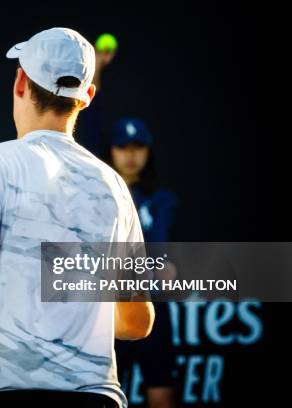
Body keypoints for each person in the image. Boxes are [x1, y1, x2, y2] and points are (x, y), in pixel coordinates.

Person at [0, 28, 154, 408]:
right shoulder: (115, 187)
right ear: (86, 97)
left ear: (20, 81)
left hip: (2, 397)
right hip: (97, 400)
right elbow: (138, 321)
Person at [107, 118, 178, 407]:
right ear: (111, 151)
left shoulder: (162, 200)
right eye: (123, 147)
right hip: (111, 311)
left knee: (162, 392)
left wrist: (167, 266)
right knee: (108, 393)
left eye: (138, 147)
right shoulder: (100, 195)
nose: (131, 155)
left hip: (154, 307)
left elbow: (166, 262)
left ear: (148, 151)